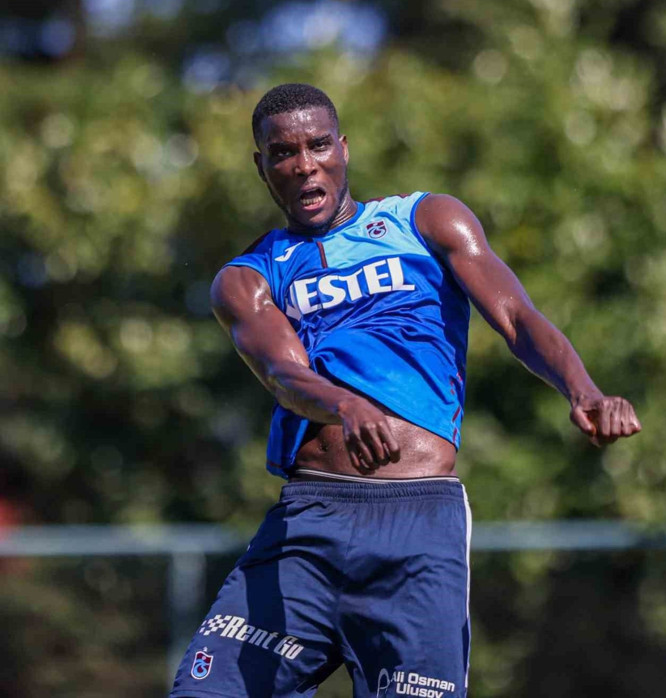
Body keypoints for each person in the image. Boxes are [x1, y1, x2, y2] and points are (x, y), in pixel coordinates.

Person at [170, 83, 641, 698]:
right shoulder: (248, 276)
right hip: (308, 526)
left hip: (417, 528)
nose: (305, 164)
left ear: (344, 148)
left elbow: (518, 317)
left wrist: (582, 390)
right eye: (284, 153)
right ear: (262, 167)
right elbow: (283, 375)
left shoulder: (425, 220)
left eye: (318, 145)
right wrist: (344, 404)